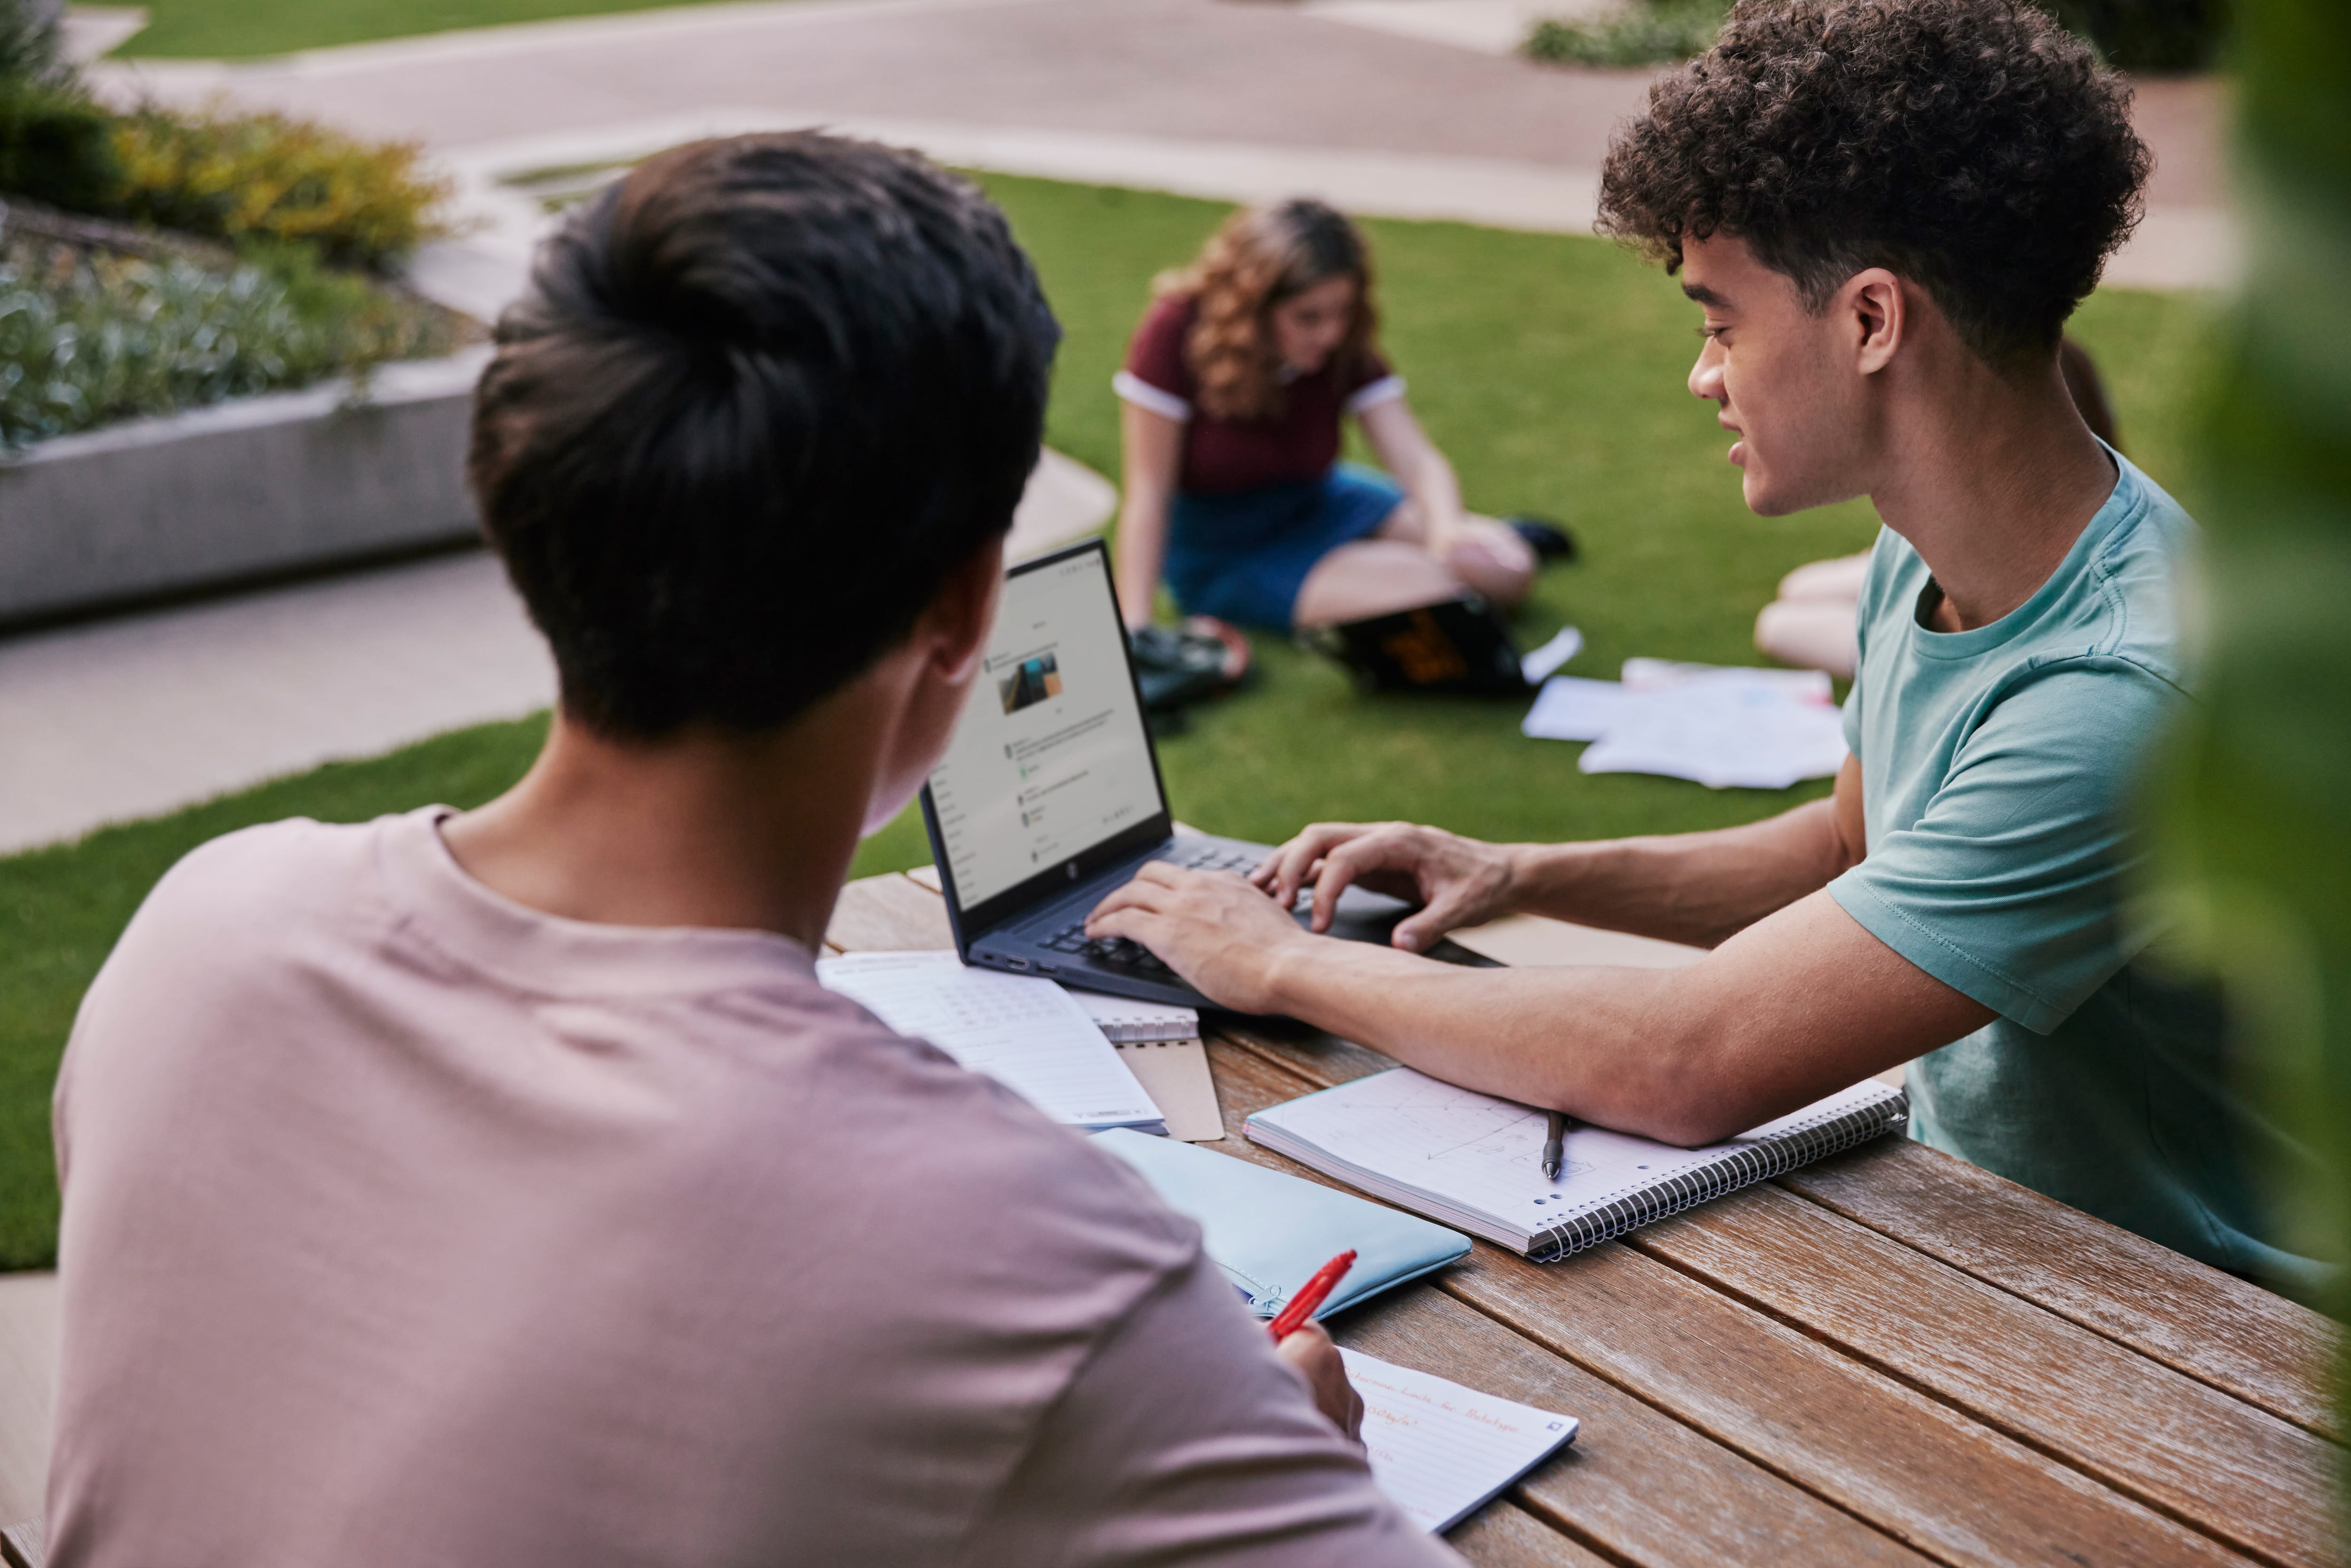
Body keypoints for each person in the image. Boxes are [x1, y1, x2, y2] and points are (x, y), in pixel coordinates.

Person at [45, 134, 1459, 1566]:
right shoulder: (1021, 1257)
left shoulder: (201, 932)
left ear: (523, 506)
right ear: (967, 609)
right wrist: (1285, 1456)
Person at [1085, 0, 2327, 1294]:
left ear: (1871, 322)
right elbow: (1850, 850)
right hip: (2002, 1238)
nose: (1703, 373)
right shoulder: (1936, 549)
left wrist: (1282, 961)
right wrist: (1513, 871)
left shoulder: (2118, 689)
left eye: (1720, 321)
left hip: (2187, 1331)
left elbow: (1691, 1060)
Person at [1112, 198, 1560, 634]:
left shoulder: (1341, 343)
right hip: (1227, 549)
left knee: (1507, 571)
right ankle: (1369, 571)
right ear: (1254, 306)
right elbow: (1148, 494)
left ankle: (1391, 558)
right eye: (1308, 318)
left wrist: (1446, 527)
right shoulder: (1177, 330)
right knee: (1437, 592)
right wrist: (1136, 629)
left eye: (1343, 312)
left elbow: (1415, 456)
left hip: (1320, 500)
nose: (1330, 333)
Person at [1756, 338, 2126, 676]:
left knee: (1780, 624)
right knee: (1796, 593)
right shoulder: (2095, 476)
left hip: (1955, 613)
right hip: (1941, 568)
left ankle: (1887, 644)